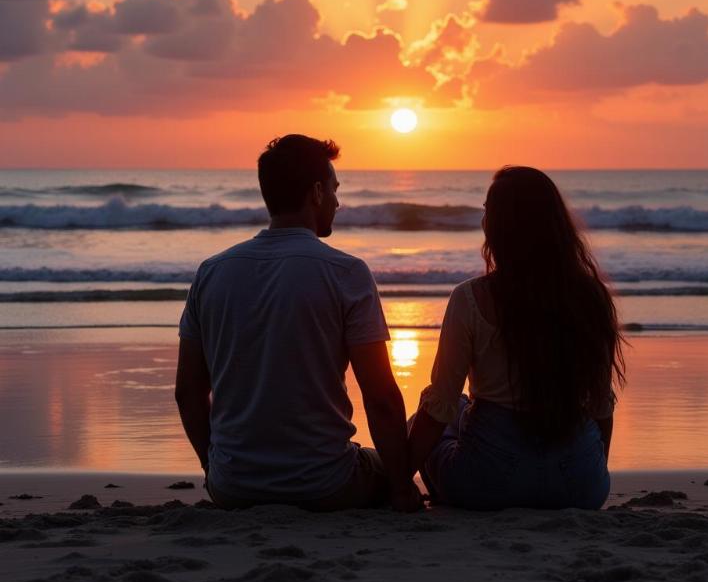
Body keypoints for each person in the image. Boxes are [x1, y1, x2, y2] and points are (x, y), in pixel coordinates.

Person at [175, 134, 422, 512]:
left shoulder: (212, 273)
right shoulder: (346, 273)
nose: (339, 202)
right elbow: (381, 398)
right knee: (385, 461)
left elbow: (188, 392)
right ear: (318, 192)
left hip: (233, 486)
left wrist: (214, 468)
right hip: (327, 485)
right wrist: (402, 488)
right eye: (336, 190)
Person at [407, 166, 626, 510]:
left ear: (496, 228)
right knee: (459, 410)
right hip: (579, 487)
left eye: (486, 213)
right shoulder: (590, 297)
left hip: (490, 484)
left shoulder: (470, 298)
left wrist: (398, 481)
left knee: (432, 407)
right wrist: (592, 471)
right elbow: (601, 407)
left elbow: (441, 407)